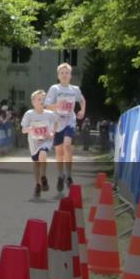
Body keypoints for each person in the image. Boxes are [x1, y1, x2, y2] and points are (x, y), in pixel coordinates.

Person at [45, 62, 86, 193]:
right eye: (62, 73)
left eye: (66, 73)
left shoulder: (75, 89)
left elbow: (82, 100)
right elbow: (47, 105)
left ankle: (69, 175)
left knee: (67, 145)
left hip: (70, 120)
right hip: (57, 123)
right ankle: (60, 175)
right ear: (58, 75)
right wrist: (57, 106)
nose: (64, 75)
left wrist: (82, 111)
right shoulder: (54, 89)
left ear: (70, 75)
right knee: (59, 152)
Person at [21, 90, 58, 198]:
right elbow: (23, 130)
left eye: (43, 99)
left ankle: (43, 176)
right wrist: (30, 128)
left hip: (45, 140)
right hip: (33, 141)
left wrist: (52, 133)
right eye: (39, 99)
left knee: (43, 154)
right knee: (36, 162)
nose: (42, 101)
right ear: (33, 102)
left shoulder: (50, 114)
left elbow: (55, 123)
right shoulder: (29, 114)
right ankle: (37, 184)